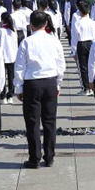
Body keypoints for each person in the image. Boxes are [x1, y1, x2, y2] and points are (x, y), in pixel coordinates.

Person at [14, 10, 66, 169]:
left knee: (33, 122)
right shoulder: (54, 40)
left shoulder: (26, 42)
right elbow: (60, 64)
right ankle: (49, 156)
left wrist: (18, 87)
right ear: (46, 24)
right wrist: (58, 83)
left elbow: (19, 67)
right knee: (50, 121)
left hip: (32, 83)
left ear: (31, 24)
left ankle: (34, 158)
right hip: (50, 81)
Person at [71, 1, 95, 96]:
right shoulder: (92, 22)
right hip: (90, 43)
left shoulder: (77, 23)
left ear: (80, 12)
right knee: (91, 65)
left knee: (83, 67)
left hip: (81, 44)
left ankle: (86, 88)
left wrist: (74, 51)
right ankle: (92, 86)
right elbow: (94, 36)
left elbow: (74, 38)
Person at [0, 12, 18, 104]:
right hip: (12, 56)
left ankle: (3, 95)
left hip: (2, 56)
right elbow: (15, 44)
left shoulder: (0, 31)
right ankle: (10, 95)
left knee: (2, 76)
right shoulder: (13, 30)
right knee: (11, 76)